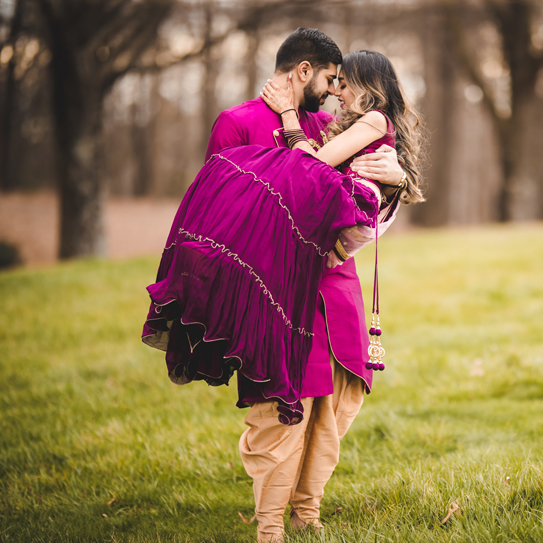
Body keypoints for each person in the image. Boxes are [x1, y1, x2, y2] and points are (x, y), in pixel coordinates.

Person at [140, 28, 425, 543]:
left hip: (336, 288)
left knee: (336, 403)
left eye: (344, 84)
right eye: (332, 80)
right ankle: (270, 524)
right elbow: (218, 213)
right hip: (270, 292)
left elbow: (360, 205)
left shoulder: (330, 123)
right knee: (280, 406)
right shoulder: (236, 123)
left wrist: (395, 182)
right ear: (303, 72)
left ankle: (307, 513)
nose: (336, 92)